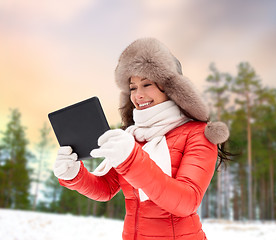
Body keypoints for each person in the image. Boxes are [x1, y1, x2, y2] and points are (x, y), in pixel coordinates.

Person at [53, 38, 230, 240]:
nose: (139, 95)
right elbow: (107, 189)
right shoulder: (132, 137)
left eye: (147, 84)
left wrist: (132, 159)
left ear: (171, 87)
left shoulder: (198, 134)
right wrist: (74, 175)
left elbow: (187, 202)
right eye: (133, 87)